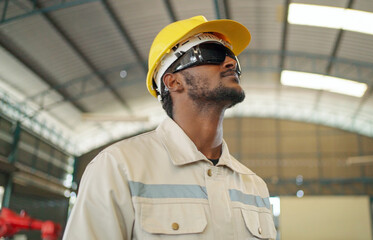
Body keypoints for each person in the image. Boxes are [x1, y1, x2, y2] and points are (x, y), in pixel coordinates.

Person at [63, 15, 276, 240]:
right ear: (173, 82)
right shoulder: (119, 168)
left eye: (233, 58)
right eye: (212, 54)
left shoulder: (254, 186)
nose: (231, 63)